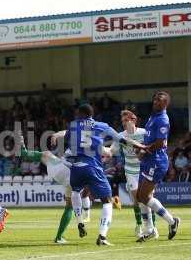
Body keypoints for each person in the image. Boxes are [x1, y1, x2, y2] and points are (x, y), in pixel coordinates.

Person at [65, 104, 146, 246]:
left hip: (76, 167)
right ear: (91, 114)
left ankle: (80, 222)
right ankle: (102, 236)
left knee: (76, 192)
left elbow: (67, 142)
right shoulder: (101, 125)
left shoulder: (72, 125)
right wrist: (139, 146)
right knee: (107, 201)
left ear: (80, 114)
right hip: (92, 166)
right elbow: (122, 140)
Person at [19, 132, 92, 244]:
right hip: (73, 178)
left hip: (59, 170)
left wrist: (56, 135)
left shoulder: (76, 140)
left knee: (46, 154)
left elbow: (68, 132)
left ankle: (22, 147)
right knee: (69, 207)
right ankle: (61, 235)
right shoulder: (88, 151)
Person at [106, 110, 158, 239]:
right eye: (122, 121)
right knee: (136, 200)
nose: (124, 123)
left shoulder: (144, 133)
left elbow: (152, 148)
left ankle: (152, 228)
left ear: (133, 120)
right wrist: (104, 151)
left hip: (144, 170)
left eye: (126, 120)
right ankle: (140, 225)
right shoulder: (120, 136)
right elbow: (111, 150)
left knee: (148, 199)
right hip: (130, 171)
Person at [136, 91, 180, 241]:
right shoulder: (153, 116)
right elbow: (150, 137)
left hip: (156, 161)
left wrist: (144, 149)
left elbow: (161, 143)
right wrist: (143, 148)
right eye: (155, 99)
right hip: (149, 159)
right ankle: (149, 229)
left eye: (159, 100)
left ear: (165, 104)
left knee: (143, 196)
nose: (155, 102)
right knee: (140, 196)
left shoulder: (162, 119)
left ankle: (172, 221)